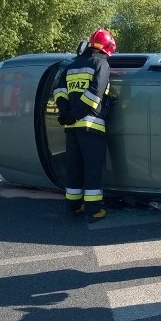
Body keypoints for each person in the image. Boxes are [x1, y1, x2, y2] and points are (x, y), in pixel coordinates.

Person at [53, 28, 117, 223]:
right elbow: (94, 93)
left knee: (74, 167)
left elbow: (59, 91)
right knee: (93, 168)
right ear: (107, 48)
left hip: (72, 128)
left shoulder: (71, 66)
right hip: (92, 127)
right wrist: (75, 114)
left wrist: (66, 113)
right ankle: (94, 209)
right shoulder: (101, 64)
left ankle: (73, 206)